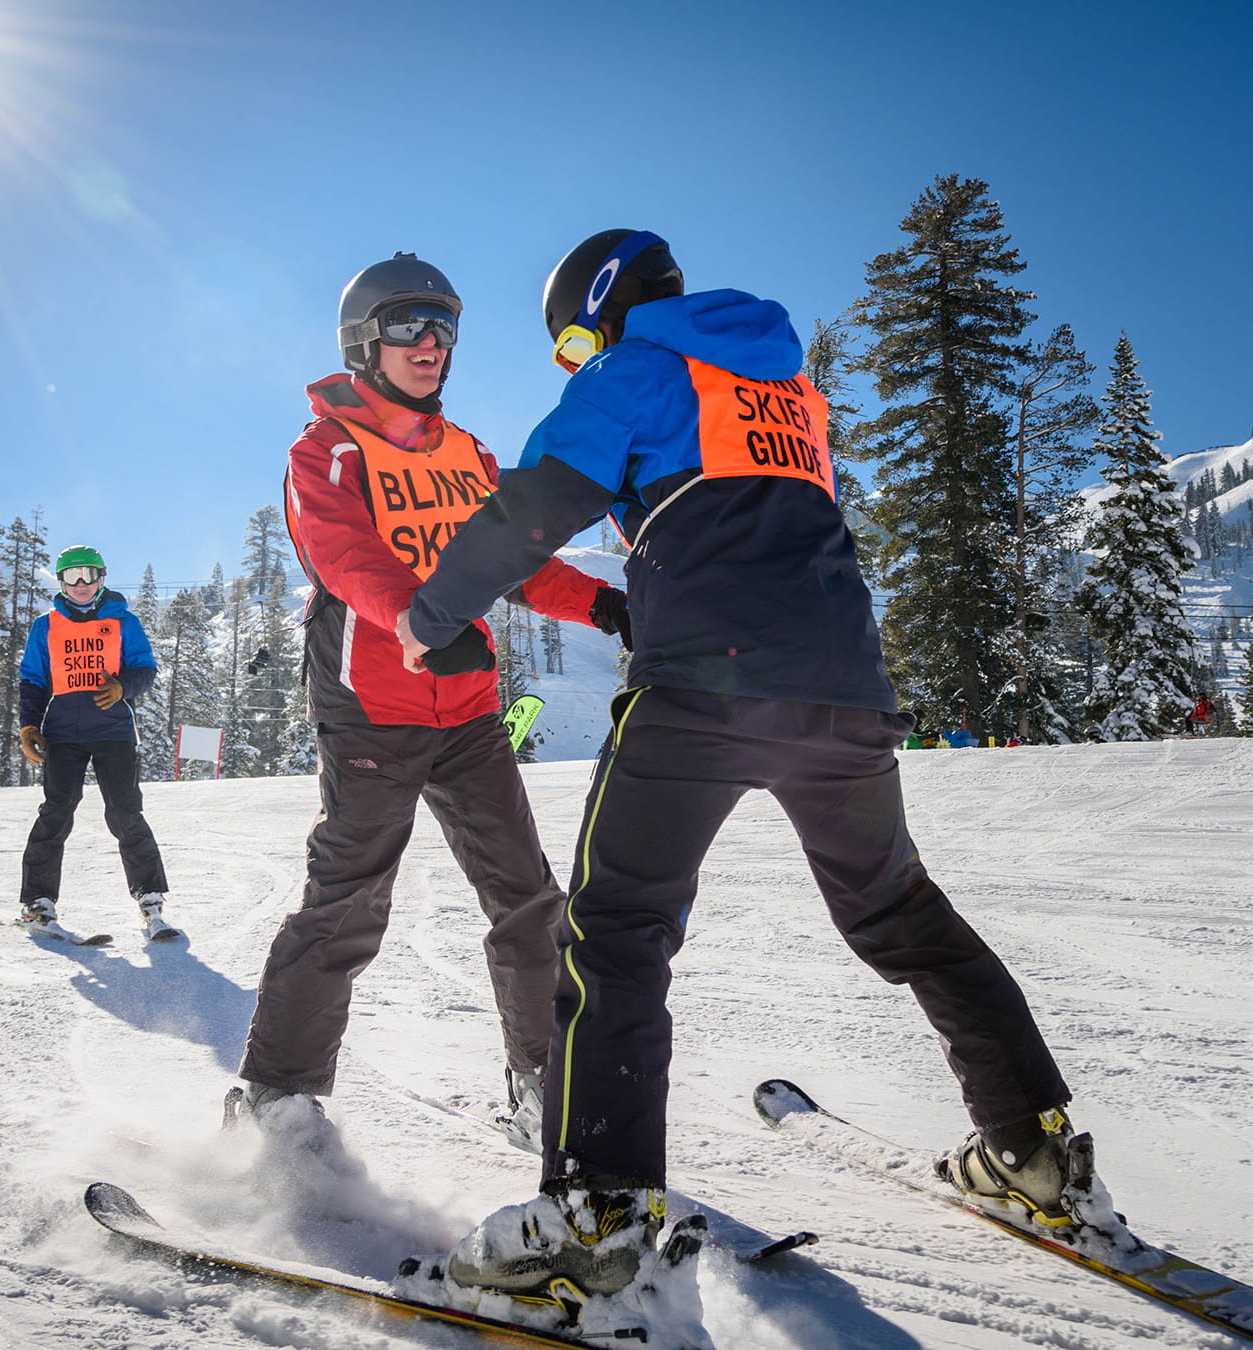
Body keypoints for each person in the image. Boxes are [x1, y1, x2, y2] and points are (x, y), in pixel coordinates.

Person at [396, 230, 1094, 1308]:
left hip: (703, 695)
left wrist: (429, 612)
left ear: (605, 309)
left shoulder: (636, 369)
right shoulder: (783, 386)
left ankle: (596, 1218)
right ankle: (1035, 1153)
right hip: (841, 694)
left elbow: (531, 508)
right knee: (899, 912)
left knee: (617, 930)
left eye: (576, 337)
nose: (578, 359)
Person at [236, 253, 626, 1147]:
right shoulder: (326, 448)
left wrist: (604, 604)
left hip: (469, 711)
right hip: (374, 705)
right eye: (409, 324)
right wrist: (415, 618)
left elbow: (515, 558)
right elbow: (342, 555)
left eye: (444, 326)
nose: (431, 343)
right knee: (348, 901)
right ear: (364, 340)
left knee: (530, 900)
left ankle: (542, 1086)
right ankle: (274, 1103)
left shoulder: (467, 455)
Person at [15, 544, 175, 940]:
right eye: (72, 576)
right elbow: (32, 681)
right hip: (63, 732)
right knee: (55, 812)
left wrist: (123, 687)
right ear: (60, 581)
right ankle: (38, 903)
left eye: (88, 574)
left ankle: (150, 900)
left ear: (102, 577)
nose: (81, 584)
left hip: (113, 730)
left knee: (125, 812)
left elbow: (145, 669)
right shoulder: (45, 626)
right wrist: (29, 727)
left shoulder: (124, 621)